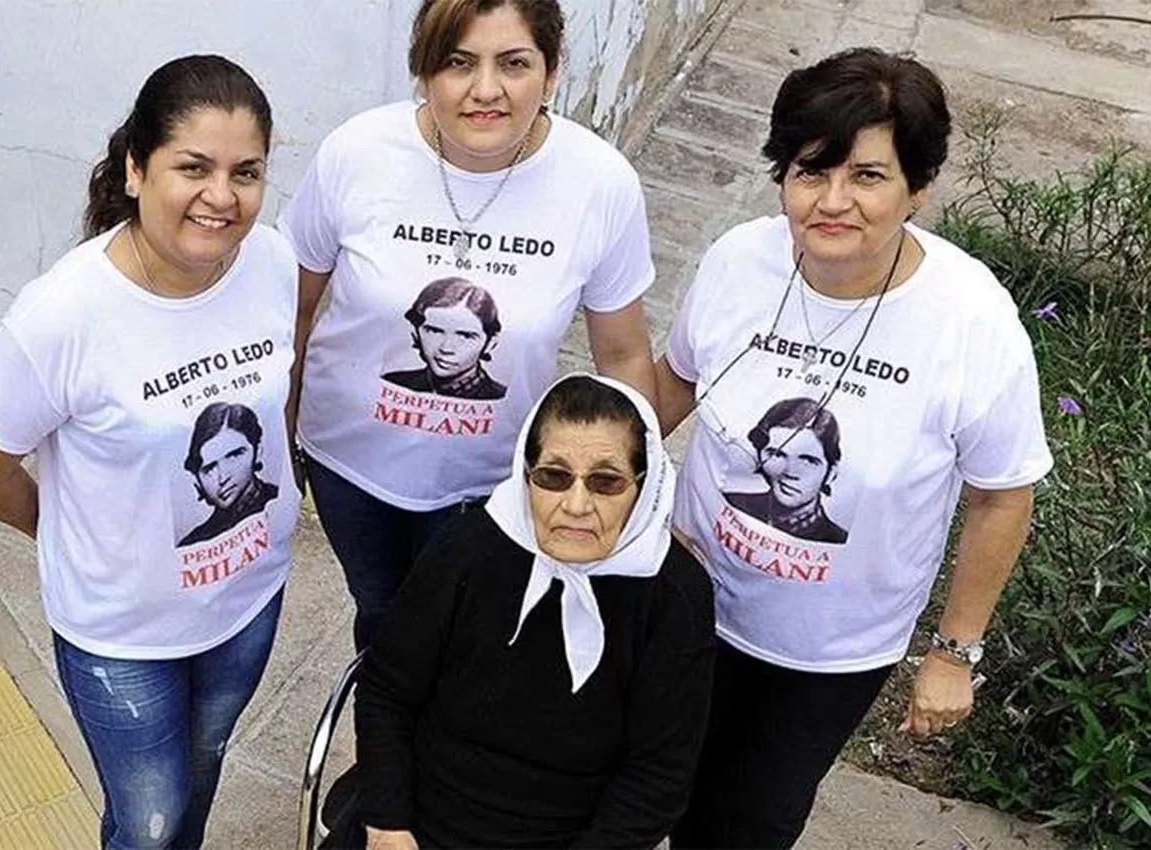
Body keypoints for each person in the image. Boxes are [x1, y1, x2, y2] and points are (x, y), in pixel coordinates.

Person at [647, 48, 1054, 849]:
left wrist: (953, 652)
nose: (833, 201)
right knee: (647, 786)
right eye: (810, 172)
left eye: (867, 176)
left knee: (746, 821)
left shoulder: (970, 321)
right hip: (684, 599)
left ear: (919, 186)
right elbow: (674, 385)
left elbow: (1003, 495)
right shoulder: (740, 261)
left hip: (825, 652)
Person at [0, 56, 299, 850]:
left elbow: (285, 390)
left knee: (202, 769)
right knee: (148, 821)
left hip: (247, 600)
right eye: (194, 167)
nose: (223, 196)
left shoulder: (272, 263)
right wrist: (65, 533)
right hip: (121, 638)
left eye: (247, 172)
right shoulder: (63, 316)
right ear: (136, 169)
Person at [282, 0, 662, 649]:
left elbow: (624, 356)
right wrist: (279, 436)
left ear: (551, 70)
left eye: (513, 63)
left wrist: (633, 494)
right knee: (381, 611)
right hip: (347, 468)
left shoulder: (599, 184)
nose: (485, 91)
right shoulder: (359, 152)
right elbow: (295, 310)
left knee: (470, 633)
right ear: (423, 69)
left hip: (490, 485)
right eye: (459, 63)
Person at [329, 374, 715, 849]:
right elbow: (387, 689)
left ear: (643, 484)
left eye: (606, 481)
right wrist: (388, 824)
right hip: (420, 816)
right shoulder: (470, 546)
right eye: (553, 476)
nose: (576, 505)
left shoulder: (675, 596)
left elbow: (658, 775)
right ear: (525, 473)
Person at [720, 397, 848, 544]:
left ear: (831, 473)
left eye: (808, 461)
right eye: (777, 454)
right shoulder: (731, 502)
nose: (789, 472)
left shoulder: (836, 541)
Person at [381, 276, 507, 400]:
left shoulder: (501, 398)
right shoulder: (393, 383)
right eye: (434, 331)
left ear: (490, 343)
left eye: (465, 336)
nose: (446, 348)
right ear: (415, 333)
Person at [179, 402, 281, 546]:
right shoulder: (194, 541)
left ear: (257, 452)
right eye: (209, 468)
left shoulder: (280, 501)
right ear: (197, 480)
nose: (223, 477)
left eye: (234, 456)